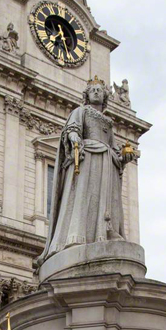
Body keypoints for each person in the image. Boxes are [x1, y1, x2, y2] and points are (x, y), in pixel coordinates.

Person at [36, 77, 134, 267]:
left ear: (105, 96)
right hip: (89, 156)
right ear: (87, 96)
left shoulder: (108, 122)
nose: (96, 92)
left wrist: (123, 158)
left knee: (104, 197)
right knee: (85, 194)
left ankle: (106, 230)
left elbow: (113, 147)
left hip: (106, 161)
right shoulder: (80, 111)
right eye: (93, 90)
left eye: (99, 90)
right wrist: (74, 138)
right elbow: (72, 129)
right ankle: (79, 234)